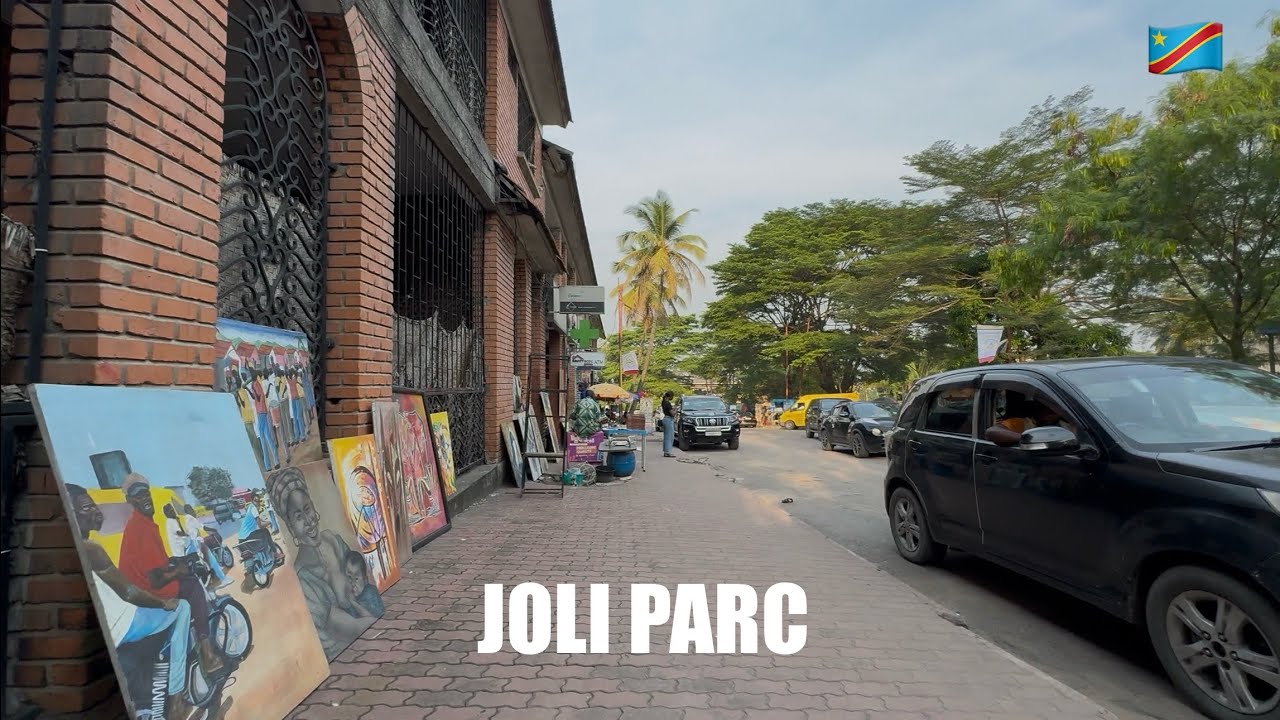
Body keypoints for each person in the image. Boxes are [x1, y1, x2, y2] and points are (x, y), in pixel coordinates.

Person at [67, 485, 224, 717]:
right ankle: (178, 696)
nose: (97, 512)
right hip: (126, 620)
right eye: (87, 507)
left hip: (112, 626)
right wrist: (164, 603)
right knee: (182, 607)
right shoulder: (91, 548)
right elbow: (130, 592)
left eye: (94, 505)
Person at [115, 475, 224, 680]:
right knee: (192, 587)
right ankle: (207, 653)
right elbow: (155, 579)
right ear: (131, 501)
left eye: (146, 493)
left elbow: (156, 562)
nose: (145, 498)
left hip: (141, 586)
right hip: (147, 590)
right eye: (138, 496)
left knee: (185, 578)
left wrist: (174, 564)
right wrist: (179, 571)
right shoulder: (141, 528)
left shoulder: (143, 523)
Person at [267, 466, 376, 659]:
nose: (308, 521)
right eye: (298, 516)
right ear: (291, 527)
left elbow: (362, 580)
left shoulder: (333, 541)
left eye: (307, 509)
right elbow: (327, 642)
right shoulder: (305, 579)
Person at [182, 504, 231, 589]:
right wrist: (213, 530)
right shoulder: (190, 518)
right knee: (211, 559)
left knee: (206, 560)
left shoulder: (186, 519)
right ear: (188, 511)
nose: (193, 511)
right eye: (191, 509)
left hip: (193, 543)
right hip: (197, 542)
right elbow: (203, 527)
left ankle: (214, 575)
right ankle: (224, 579)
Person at [343, 550, 385, 617]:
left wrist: (353, 603)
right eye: (349, 577)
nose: (353, 584)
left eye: (356, 579)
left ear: (365, 580)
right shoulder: (347, 594)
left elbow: (371, 618)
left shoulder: (370, 592)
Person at [661, 391, 676, 457]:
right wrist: (675, 409)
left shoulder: (663, 402)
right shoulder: (667, 403)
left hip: (665, 419)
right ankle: (668, 452)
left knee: (666, 436)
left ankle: (666, 451)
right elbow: (672, 413)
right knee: (670, 437)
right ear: (670, 396)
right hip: (669, 419)